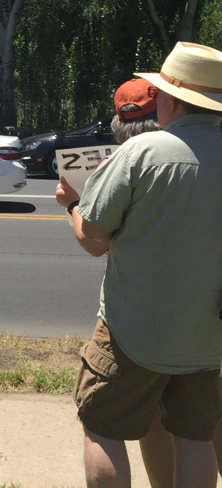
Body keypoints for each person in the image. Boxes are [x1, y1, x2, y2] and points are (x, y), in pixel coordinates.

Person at [55, 42, 222, 488]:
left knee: (103, 427)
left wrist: (72, 205)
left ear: (170, 99)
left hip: (134, 330)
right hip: (209, 335)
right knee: (195, 438)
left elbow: (92, 239)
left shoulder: (143, 152)